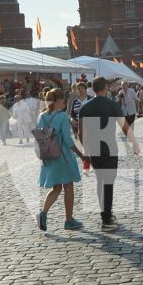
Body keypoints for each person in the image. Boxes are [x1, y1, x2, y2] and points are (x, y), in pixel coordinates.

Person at [77, 76, 130, 231]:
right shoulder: (112, 104)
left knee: (100, 181)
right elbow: (124, 127)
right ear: (105, 87)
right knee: (108, 182)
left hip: (93, 149)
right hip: (109, 148)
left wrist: (85, 148)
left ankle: (105, 212)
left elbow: (80, 132)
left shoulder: (85, 107)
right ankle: (106, 219)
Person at [35, 89, 84, 232]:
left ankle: (43, 213)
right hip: (63, 157)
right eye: (63, 100)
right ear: (57, 101)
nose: (65, 103)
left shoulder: (41, 116)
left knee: (56, 187)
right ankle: (68, 220)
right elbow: (68, 141)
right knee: (68, 186)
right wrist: (80, 154)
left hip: (48, 157)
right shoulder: (62, 116)